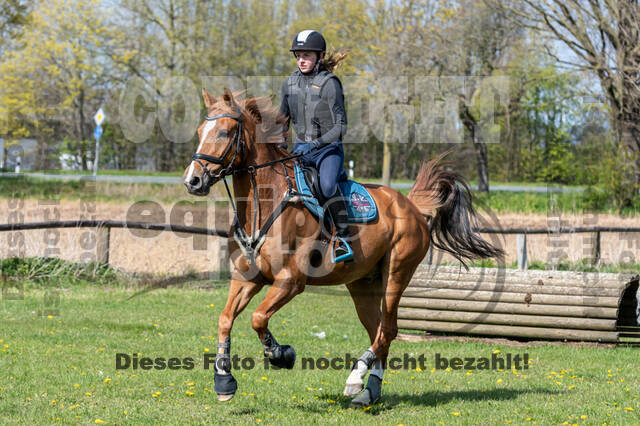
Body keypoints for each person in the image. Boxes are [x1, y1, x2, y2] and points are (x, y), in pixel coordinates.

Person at [279, 30, 352, 263]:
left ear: (319, 56)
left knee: (327, 186)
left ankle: (344, 238)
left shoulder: (330, 84)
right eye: (298, 55)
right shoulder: (289, 83)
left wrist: (317, 144)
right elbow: (282, 121)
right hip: (300, 150)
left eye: (307, 55)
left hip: (327, 150)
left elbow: (341, 126)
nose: (301, 59)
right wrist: (281, 145)